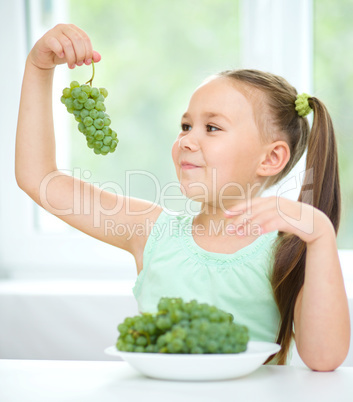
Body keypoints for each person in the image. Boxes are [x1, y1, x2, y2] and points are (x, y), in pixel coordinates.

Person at [15, 24, 350, 370]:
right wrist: (39, 68)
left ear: (270, 159)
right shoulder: (151, 231)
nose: (187, 140)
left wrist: (321, 235)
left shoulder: (289, 249)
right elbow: (40, 178)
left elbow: (324, 360)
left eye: (212, 128)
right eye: (186, 126)